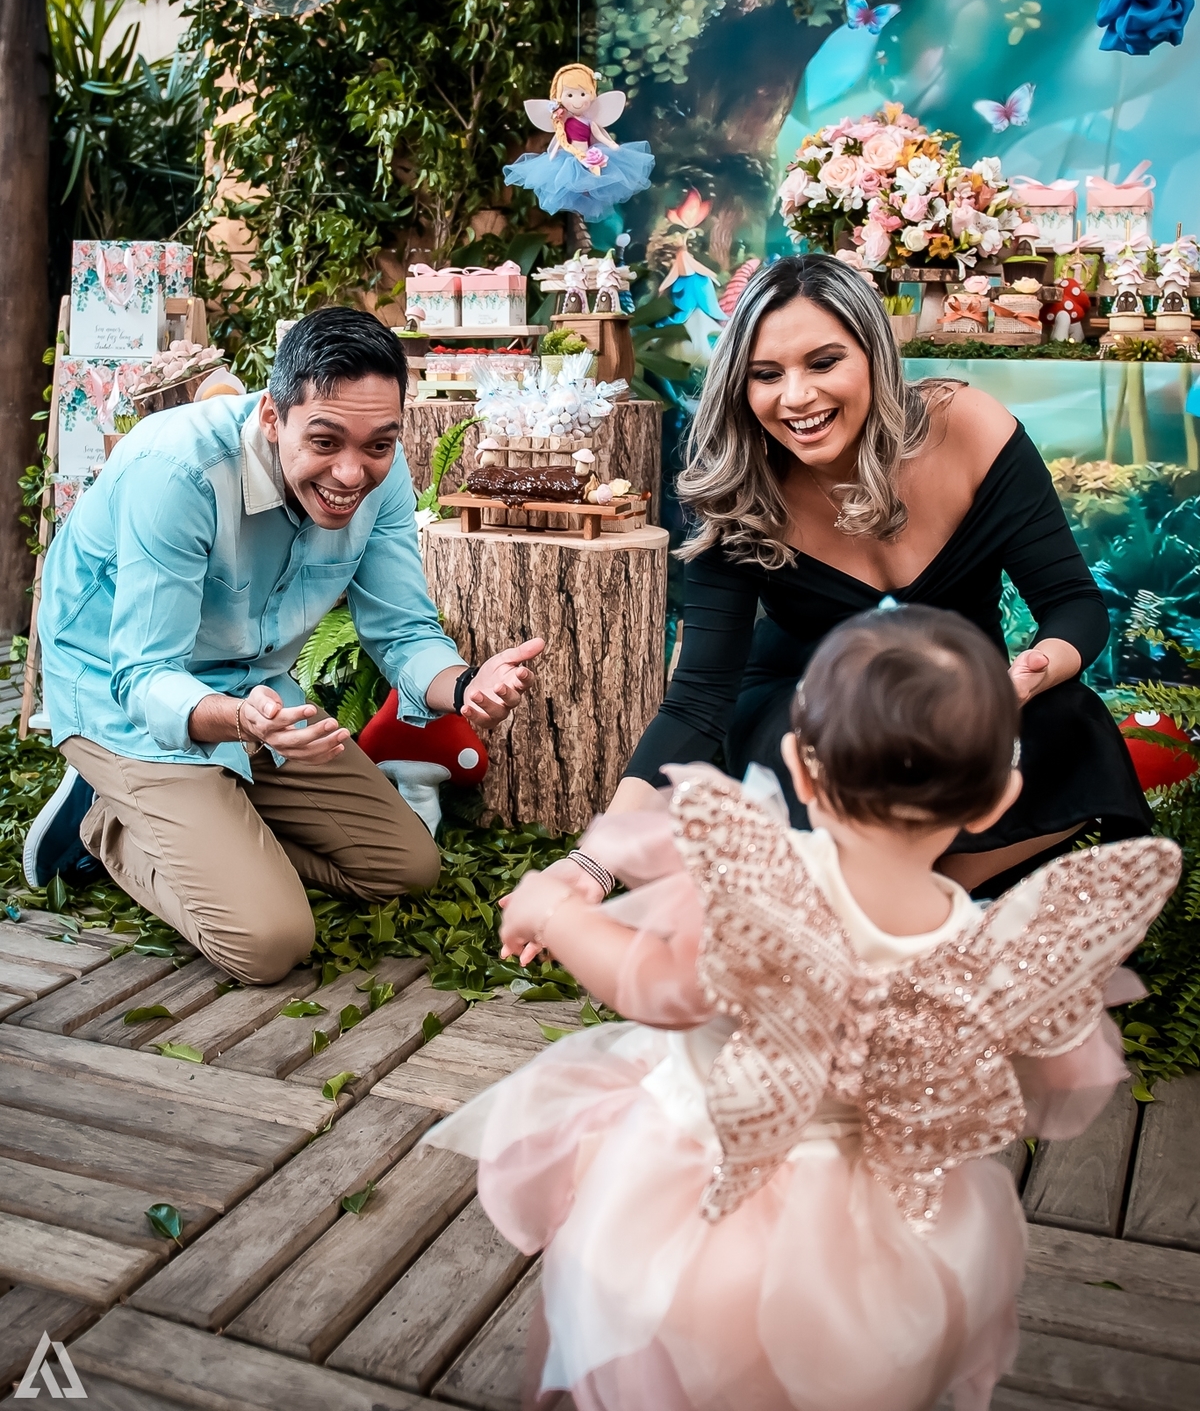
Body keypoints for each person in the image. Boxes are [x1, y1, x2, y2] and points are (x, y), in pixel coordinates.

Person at [427, 607, 1179, 1411]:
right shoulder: (980, 949)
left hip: (707, 1197)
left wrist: (557, 913)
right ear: (997, 801)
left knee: (653, 1365)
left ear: (802, 770)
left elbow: (660, 988)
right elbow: (1054, 1068)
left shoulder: (764, 895)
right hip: (884, 1230)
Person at [570, 251, 1149, 914]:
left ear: (874, 354)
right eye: (766, 374)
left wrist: (1026, 676)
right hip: (805, 711)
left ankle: (909, 908)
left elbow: (1073, 604)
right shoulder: (738, 483)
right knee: (822, 745)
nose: (796, 397)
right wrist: (595, 861)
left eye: (823, 362)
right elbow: (700, 698)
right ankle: (888, 914)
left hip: (957, 701)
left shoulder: (968, 429)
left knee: (1072, 723)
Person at [25, 308, 542, 985]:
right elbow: (144, 673)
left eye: (378, 445)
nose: (353, 473)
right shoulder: (176, 472)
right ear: (272, 416)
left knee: (406, 869)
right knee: (268, 943)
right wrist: (240, 721)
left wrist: (466, 684)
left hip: (259, 701)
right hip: (119, 693)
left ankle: (211, 824)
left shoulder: (380, 473)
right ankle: (107, 818)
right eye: (326, 442)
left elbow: (403, 628)